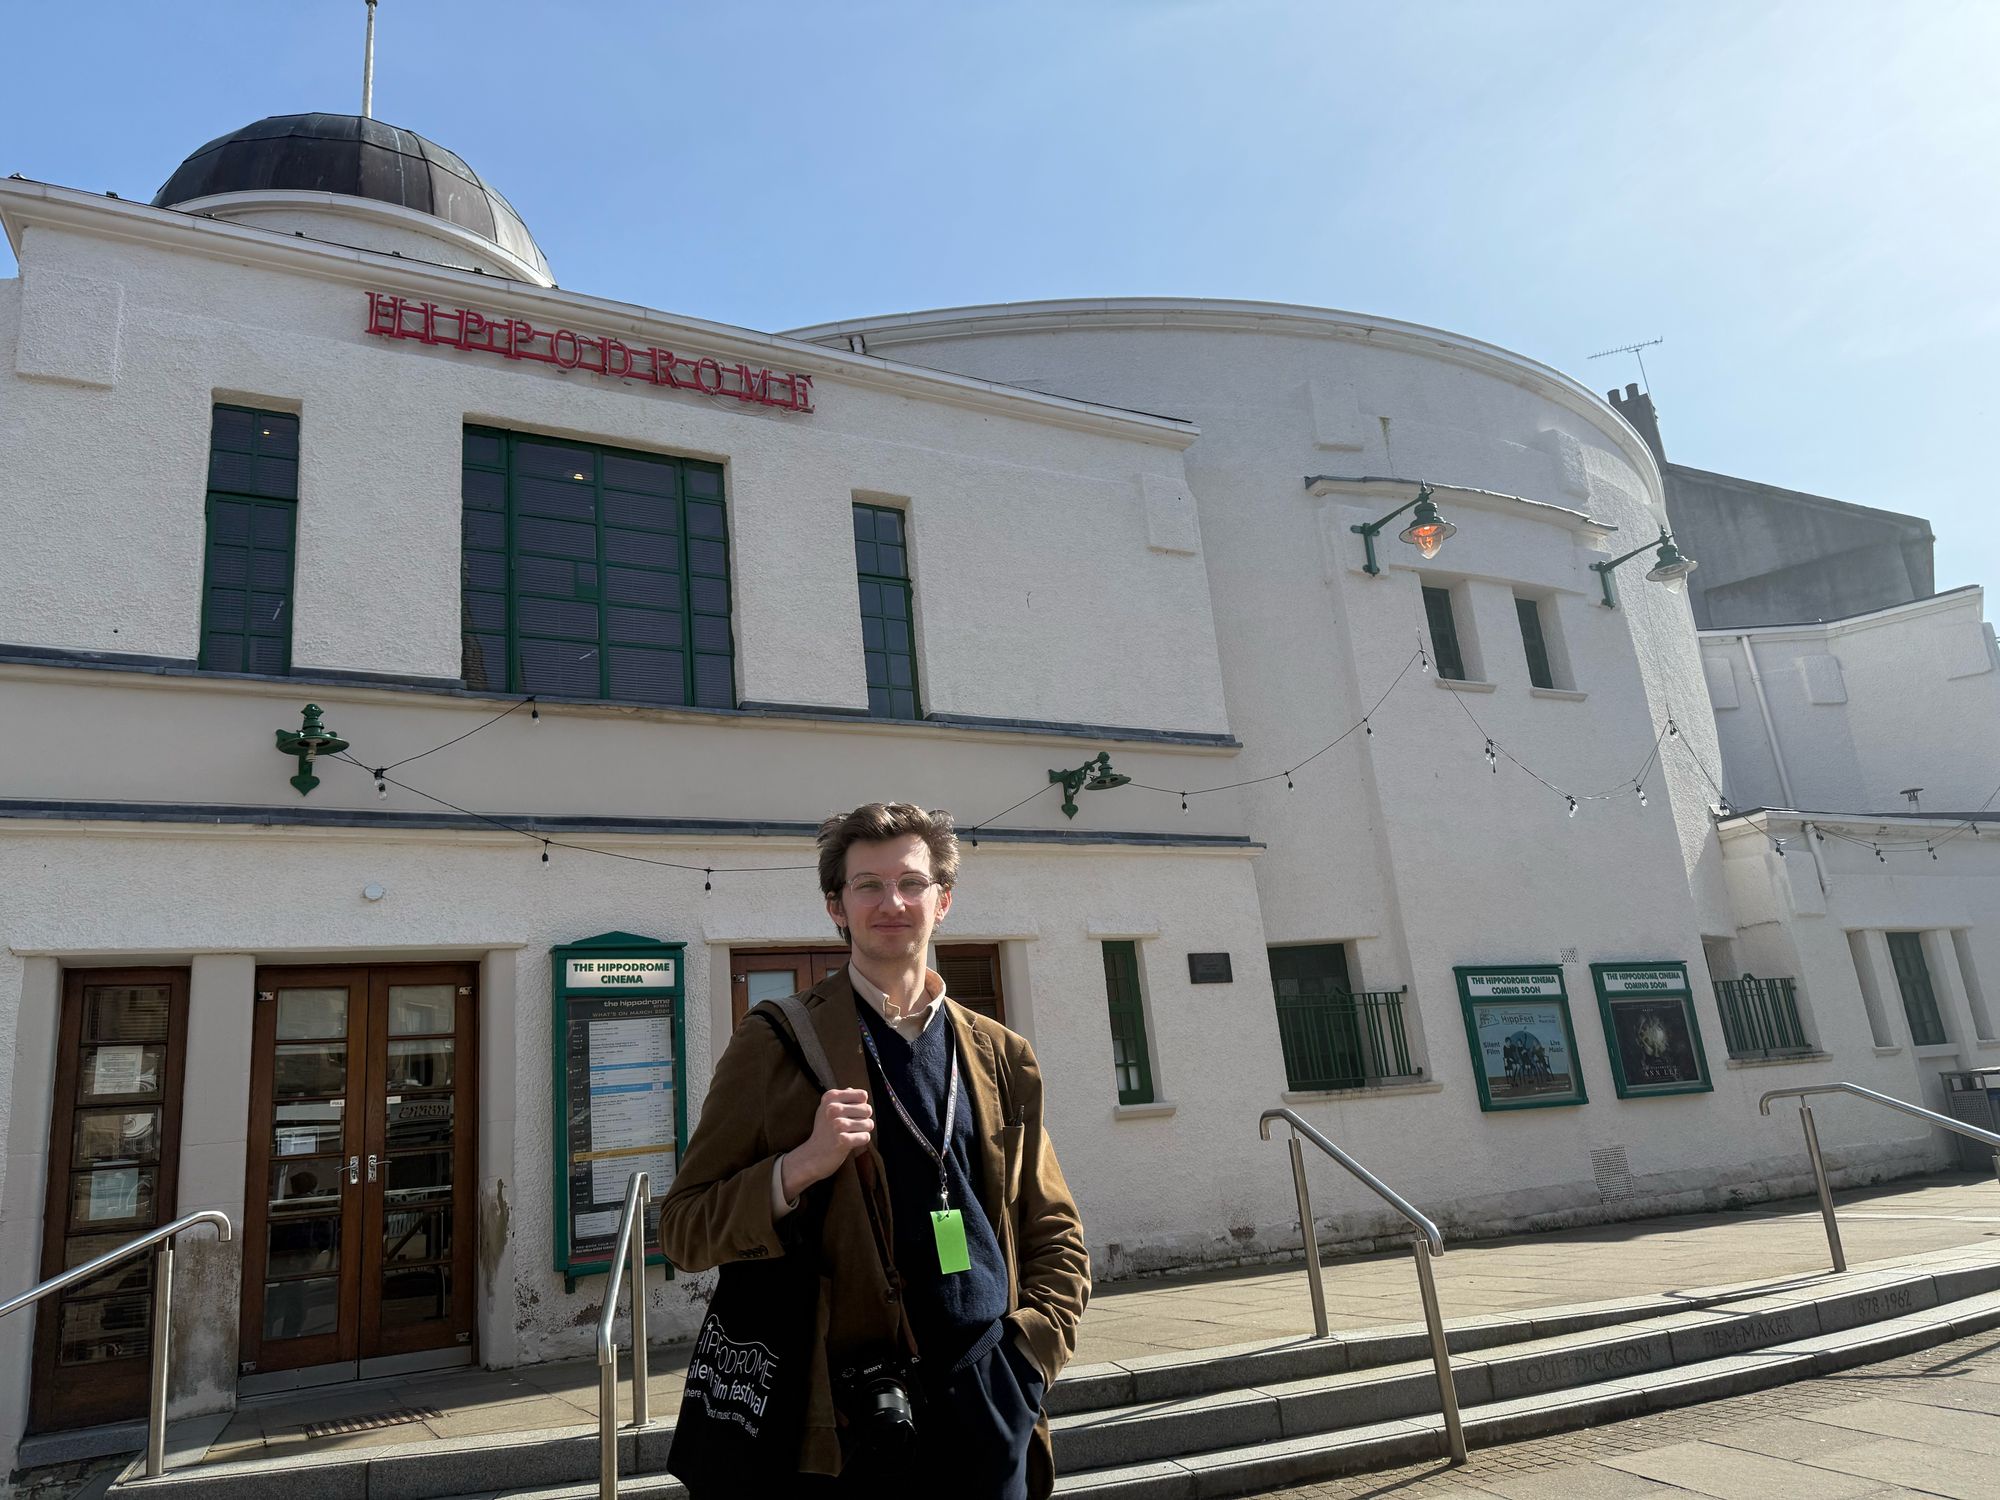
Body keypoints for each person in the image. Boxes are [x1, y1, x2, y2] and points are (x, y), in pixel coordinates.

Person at [659, 802, 1089, 1497]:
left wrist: (1030, 1354)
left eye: (912, 883)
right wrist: (799, 1167)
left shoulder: (1002, 1054)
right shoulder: (773, 1043)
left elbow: (1055, 1229)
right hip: (847, 1419)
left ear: (943, 900)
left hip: (991, 1395)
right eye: (867, 885)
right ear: (836, 906)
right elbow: (683, 1228)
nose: (892, 902)